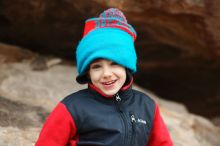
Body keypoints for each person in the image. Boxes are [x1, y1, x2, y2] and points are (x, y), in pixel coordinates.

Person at [35, 8, 173, 146]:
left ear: (126, 66)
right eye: (96, 67)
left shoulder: (147, 106)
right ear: (87, 72)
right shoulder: (72, 107)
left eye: (114, 64)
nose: (106, 74)